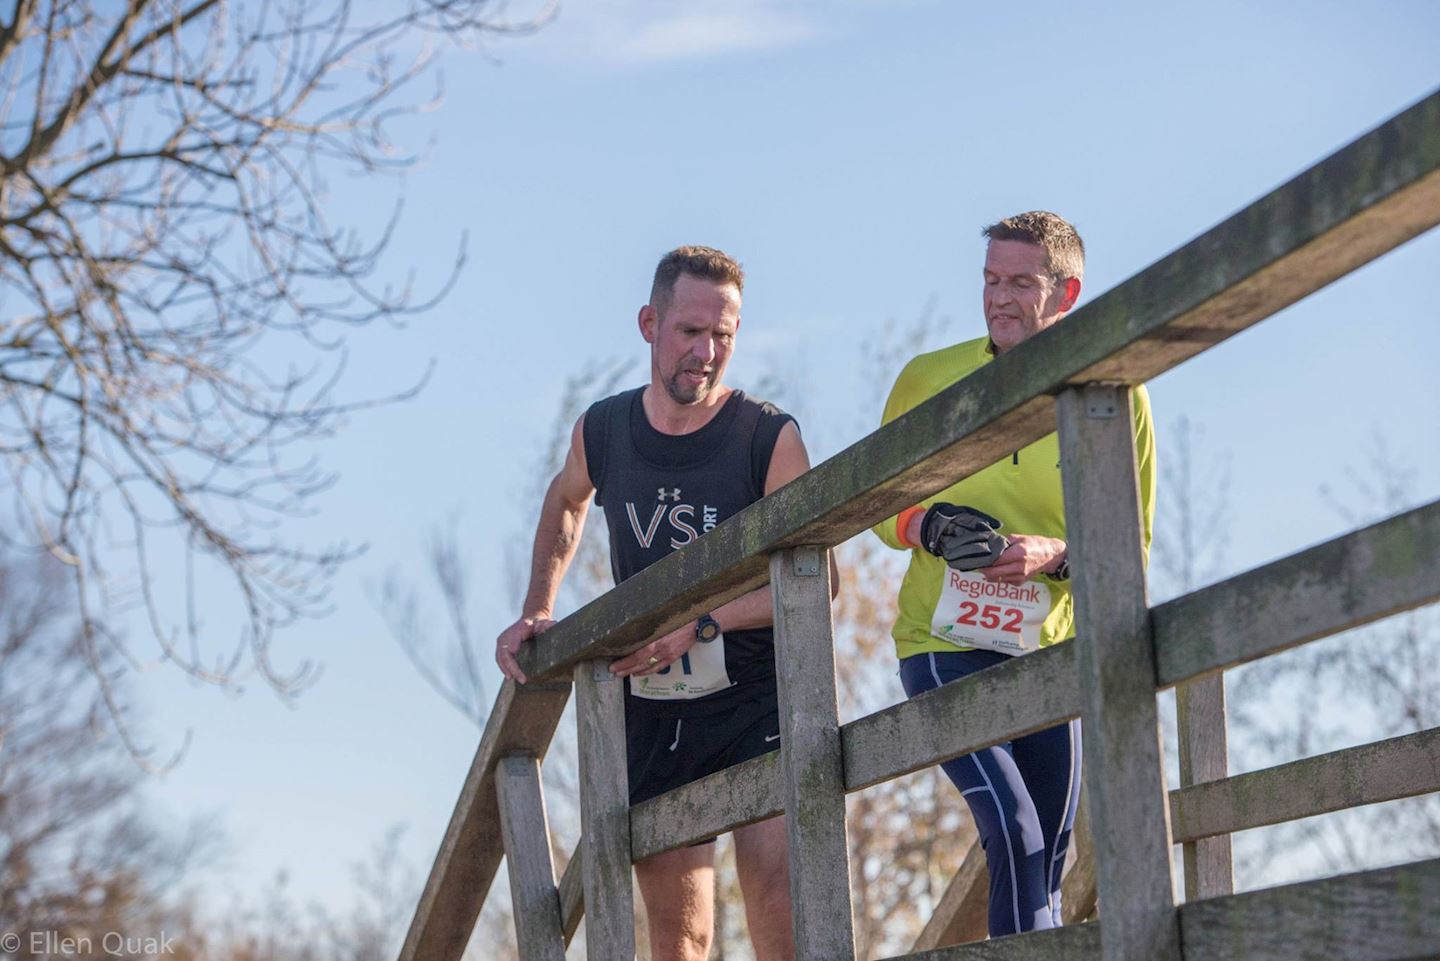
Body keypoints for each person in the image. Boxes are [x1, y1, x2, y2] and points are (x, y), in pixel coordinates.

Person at [496, 246, 820, 961]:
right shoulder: (606, 430)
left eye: (723, 336)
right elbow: (568, 499)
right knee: (680, 939)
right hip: (650, 705)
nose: (706, 352)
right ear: (649, 323)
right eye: (689, 332)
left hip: (755, 698)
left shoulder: (769, 437)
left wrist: (703, 622)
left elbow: (815, 584)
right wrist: (537, 607)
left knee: (783, 910)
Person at [873, 211, 1156, 937]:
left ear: (1066, 293)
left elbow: (1131, 544)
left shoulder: (1112, 392)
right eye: (990, 280)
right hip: (941, 644)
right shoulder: (930, 378)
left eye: (1020, 282)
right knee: (1014, 828)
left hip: (1044, 653)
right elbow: (878, 508)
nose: (998, 297)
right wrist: (930, 525)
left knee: (1048, 853)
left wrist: (1052, 553)